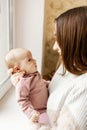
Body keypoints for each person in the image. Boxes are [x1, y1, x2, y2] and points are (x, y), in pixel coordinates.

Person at [9, 6, 87, 130]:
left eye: (59, 39)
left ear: (76, 41)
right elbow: (54, 93)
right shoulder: (69, 65)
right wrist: (26, 85)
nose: (54, 47)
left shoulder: (84, 90)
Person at [5, 48, 50, 129]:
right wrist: (31, 113)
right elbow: (22, 101)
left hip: (46, 107)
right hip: (38, 112)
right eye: (29, 60)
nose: (34, 60)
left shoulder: (34, 74)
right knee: (46, 125)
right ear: (18, 69)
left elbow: (40, 83)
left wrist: (48, 84)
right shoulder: (23, 83)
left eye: (32, 58)